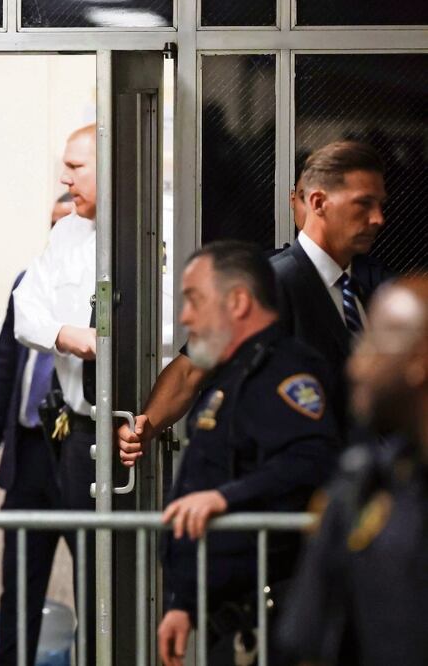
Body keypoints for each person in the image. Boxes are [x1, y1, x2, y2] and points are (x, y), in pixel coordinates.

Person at [120, 140, 391, 468]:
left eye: (380, 204)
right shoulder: (267, 285)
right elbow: (192, 369)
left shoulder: (368, 286)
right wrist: (146, 426)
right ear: (314, 201)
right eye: (364, 204)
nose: (378, 219)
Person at [156, 241, 338, 666]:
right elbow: (205, 478)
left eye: (195, 301)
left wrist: (226, 500)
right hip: (231, 621)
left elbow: (310, 461)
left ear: (237, 301)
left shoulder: (286, 374)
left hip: (274, 622)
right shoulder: (231, 378)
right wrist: (183, 602)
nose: (185, 317)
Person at [280, 276, 428, 666]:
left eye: (373, 344)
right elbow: (310, 641)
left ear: (419, 360)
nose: (357, 366)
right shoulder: (359, 490)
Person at [12, 125, 100, 659]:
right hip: (80, 432)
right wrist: (69, 336)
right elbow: (27, 309)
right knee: (88, 576)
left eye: (75, 167)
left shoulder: (161, 225)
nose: (64, 178)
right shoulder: (67, 233)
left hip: (144, 433)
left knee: (134, 578)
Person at [0, 195, 70, 663]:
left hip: (80, 449)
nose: (60, 235)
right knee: (20, 583)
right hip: (30, 448)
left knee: (98, 581)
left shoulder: (103, 282)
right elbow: (5, 364)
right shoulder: (29, 281)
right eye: (54, 225)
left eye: (69, 225)